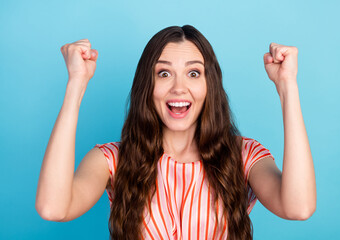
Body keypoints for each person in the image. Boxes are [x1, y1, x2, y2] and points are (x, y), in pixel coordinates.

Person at [35, 25, 316, 240]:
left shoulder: (244, 155)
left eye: (193, 73)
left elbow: (298, 207)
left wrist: (287, 86)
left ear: (210, 86)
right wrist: (76, 84)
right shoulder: (113, 159)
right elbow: (53, 208)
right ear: (148, 86)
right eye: (164, 73)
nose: (179, 88)